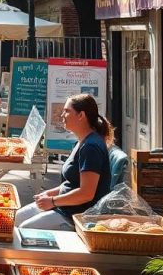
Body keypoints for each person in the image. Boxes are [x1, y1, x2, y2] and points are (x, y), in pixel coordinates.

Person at [14, 94, 113, 230]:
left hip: (77, 215)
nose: (62, 115)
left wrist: (53, 201)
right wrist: (50, 193)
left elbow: (86, 193)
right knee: (16, 218)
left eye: (67, 111)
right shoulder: (81, 142)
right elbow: (71, 184)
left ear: (81, 115)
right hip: (64, 206)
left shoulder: (91, 147)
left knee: (25, 229)